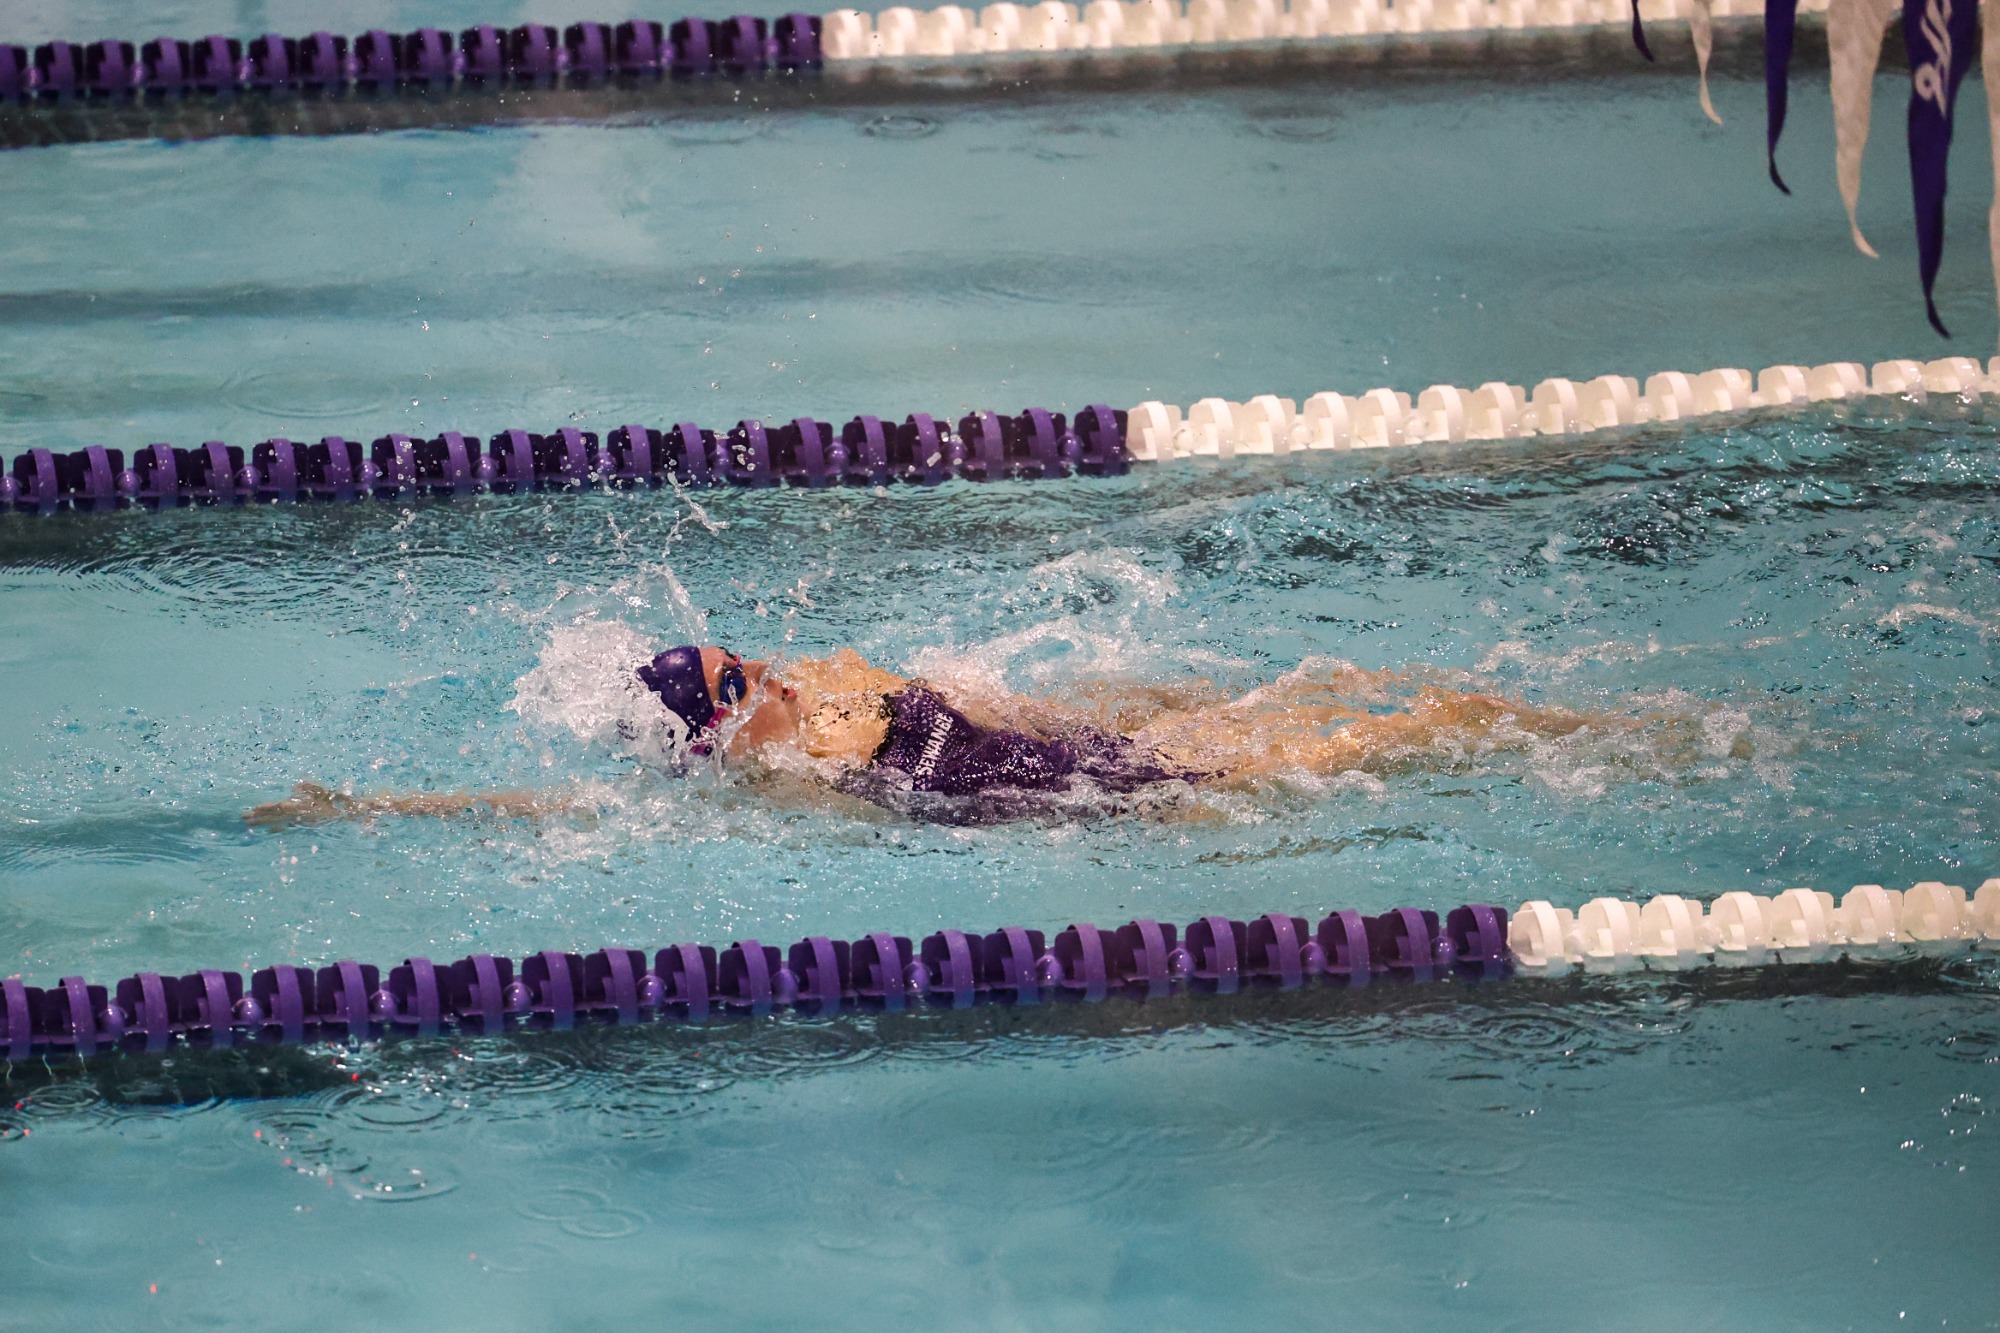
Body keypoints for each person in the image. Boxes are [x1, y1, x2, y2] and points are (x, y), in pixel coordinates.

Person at [247, 642, 1657, 829]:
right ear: (717, 733)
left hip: (1080, 768)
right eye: (734, 690)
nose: (759, 682)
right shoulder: (790, 765)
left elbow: (1003, 705)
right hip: (1073, 787)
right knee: (1375, 729)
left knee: (1358, 732)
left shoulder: (824, 704)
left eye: (739, 663)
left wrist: (1131, 748)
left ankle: (1582, 721)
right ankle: (1571, 719)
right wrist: (384, 808)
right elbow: (545, 812)